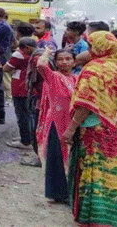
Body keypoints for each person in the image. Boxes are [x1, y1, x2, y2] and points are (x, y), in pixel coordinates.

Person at [63, 31, 117, 227]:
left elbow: (85, 104)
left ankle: (96, 220)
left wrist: (71, 129)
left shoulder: (94, 70)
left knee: (95, 176)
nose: (89, 50)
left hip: (95, 130)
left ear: (100, 48)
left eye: (91, 46)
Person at [36, 48, 78, 204]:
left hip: (72, 122)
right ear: (56, 62)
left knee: (72, 156)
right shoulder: (53, 77)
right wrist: (47, 52)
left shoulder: (77, 79)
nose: (64, 62)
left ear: (74, 62)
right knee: (57, 157)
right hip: (56, 121)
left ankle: (70, 192)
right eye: (60, 59)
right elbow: (41, 66)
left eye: (68, 59)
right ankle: (57, 193)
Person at [3, 37, 38, 149]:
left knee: (22, 115)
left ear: (26, 48)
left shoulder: (19, 55)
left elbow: (6, 68)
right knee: (28, 115)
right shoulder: (37, 54)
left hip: (20, 87)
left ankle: (25, 141)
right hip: (30, 88)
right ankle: (27, 138)